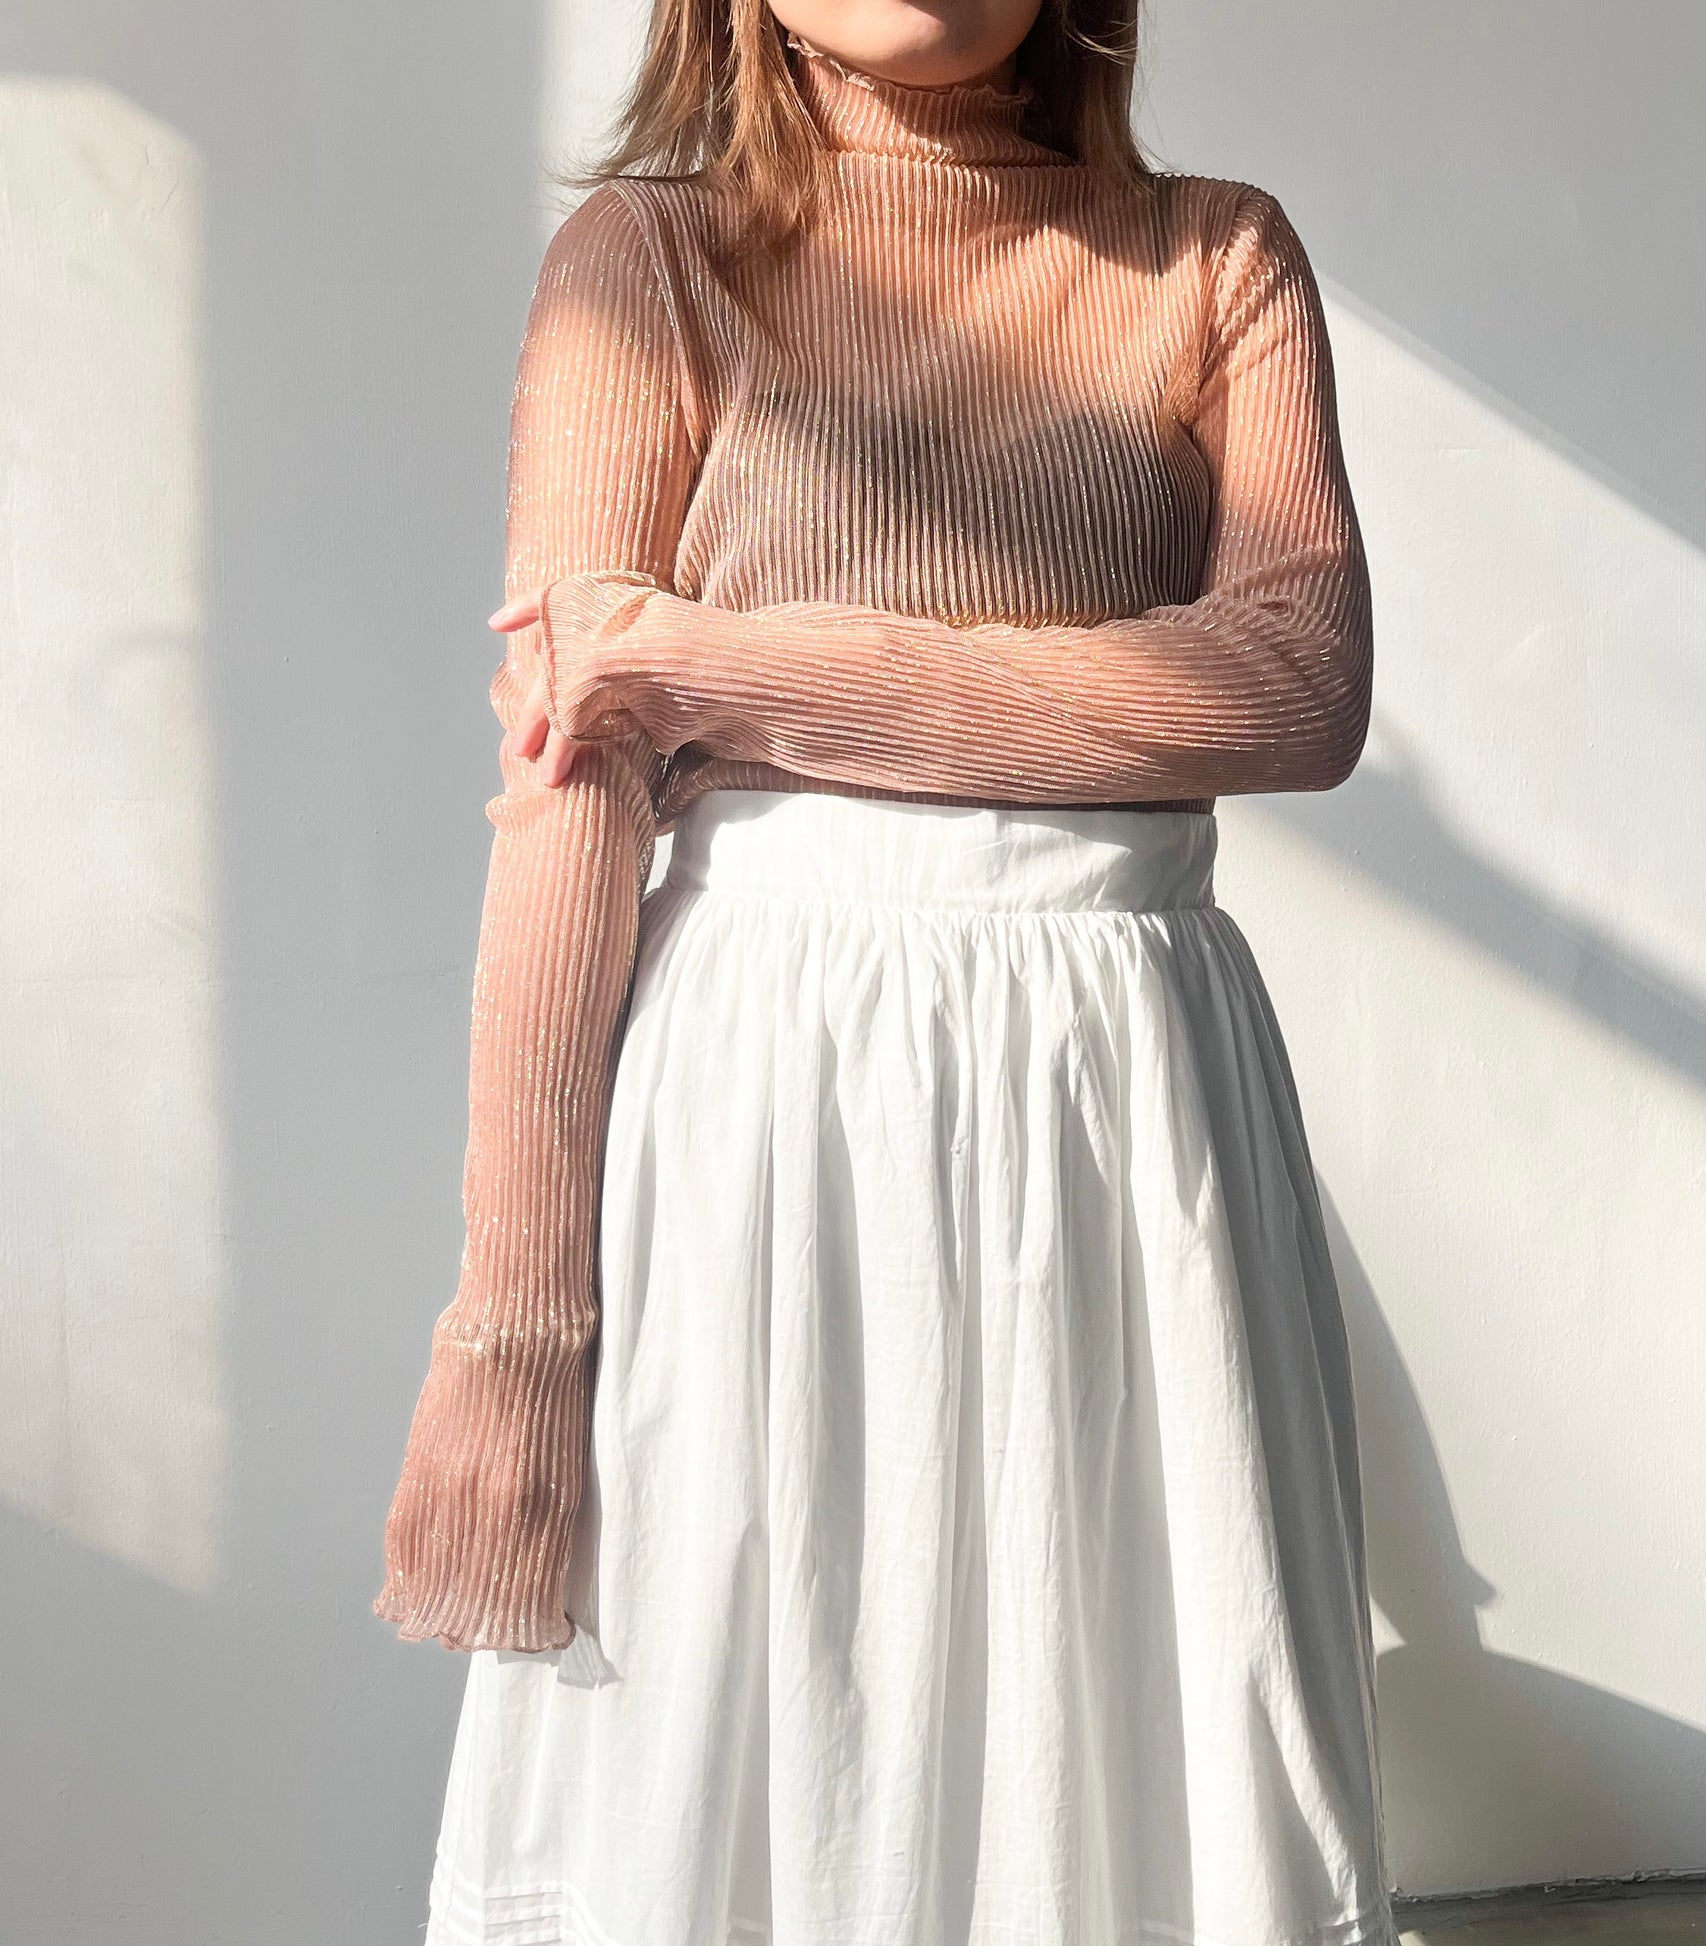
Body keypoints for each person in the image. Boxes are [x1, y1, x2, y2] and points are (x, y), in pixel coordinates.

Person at [374, 1, 1396, 1941]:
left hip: (1125, 1110)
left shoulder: (1212, 255)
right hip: (769, 1102)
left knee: (1134, 1769)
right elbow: (568, 803)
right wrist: (511, 1334)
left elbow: (1292, 690)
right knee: (738, 1751)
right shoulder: (646, 264)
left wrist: (720, 665)